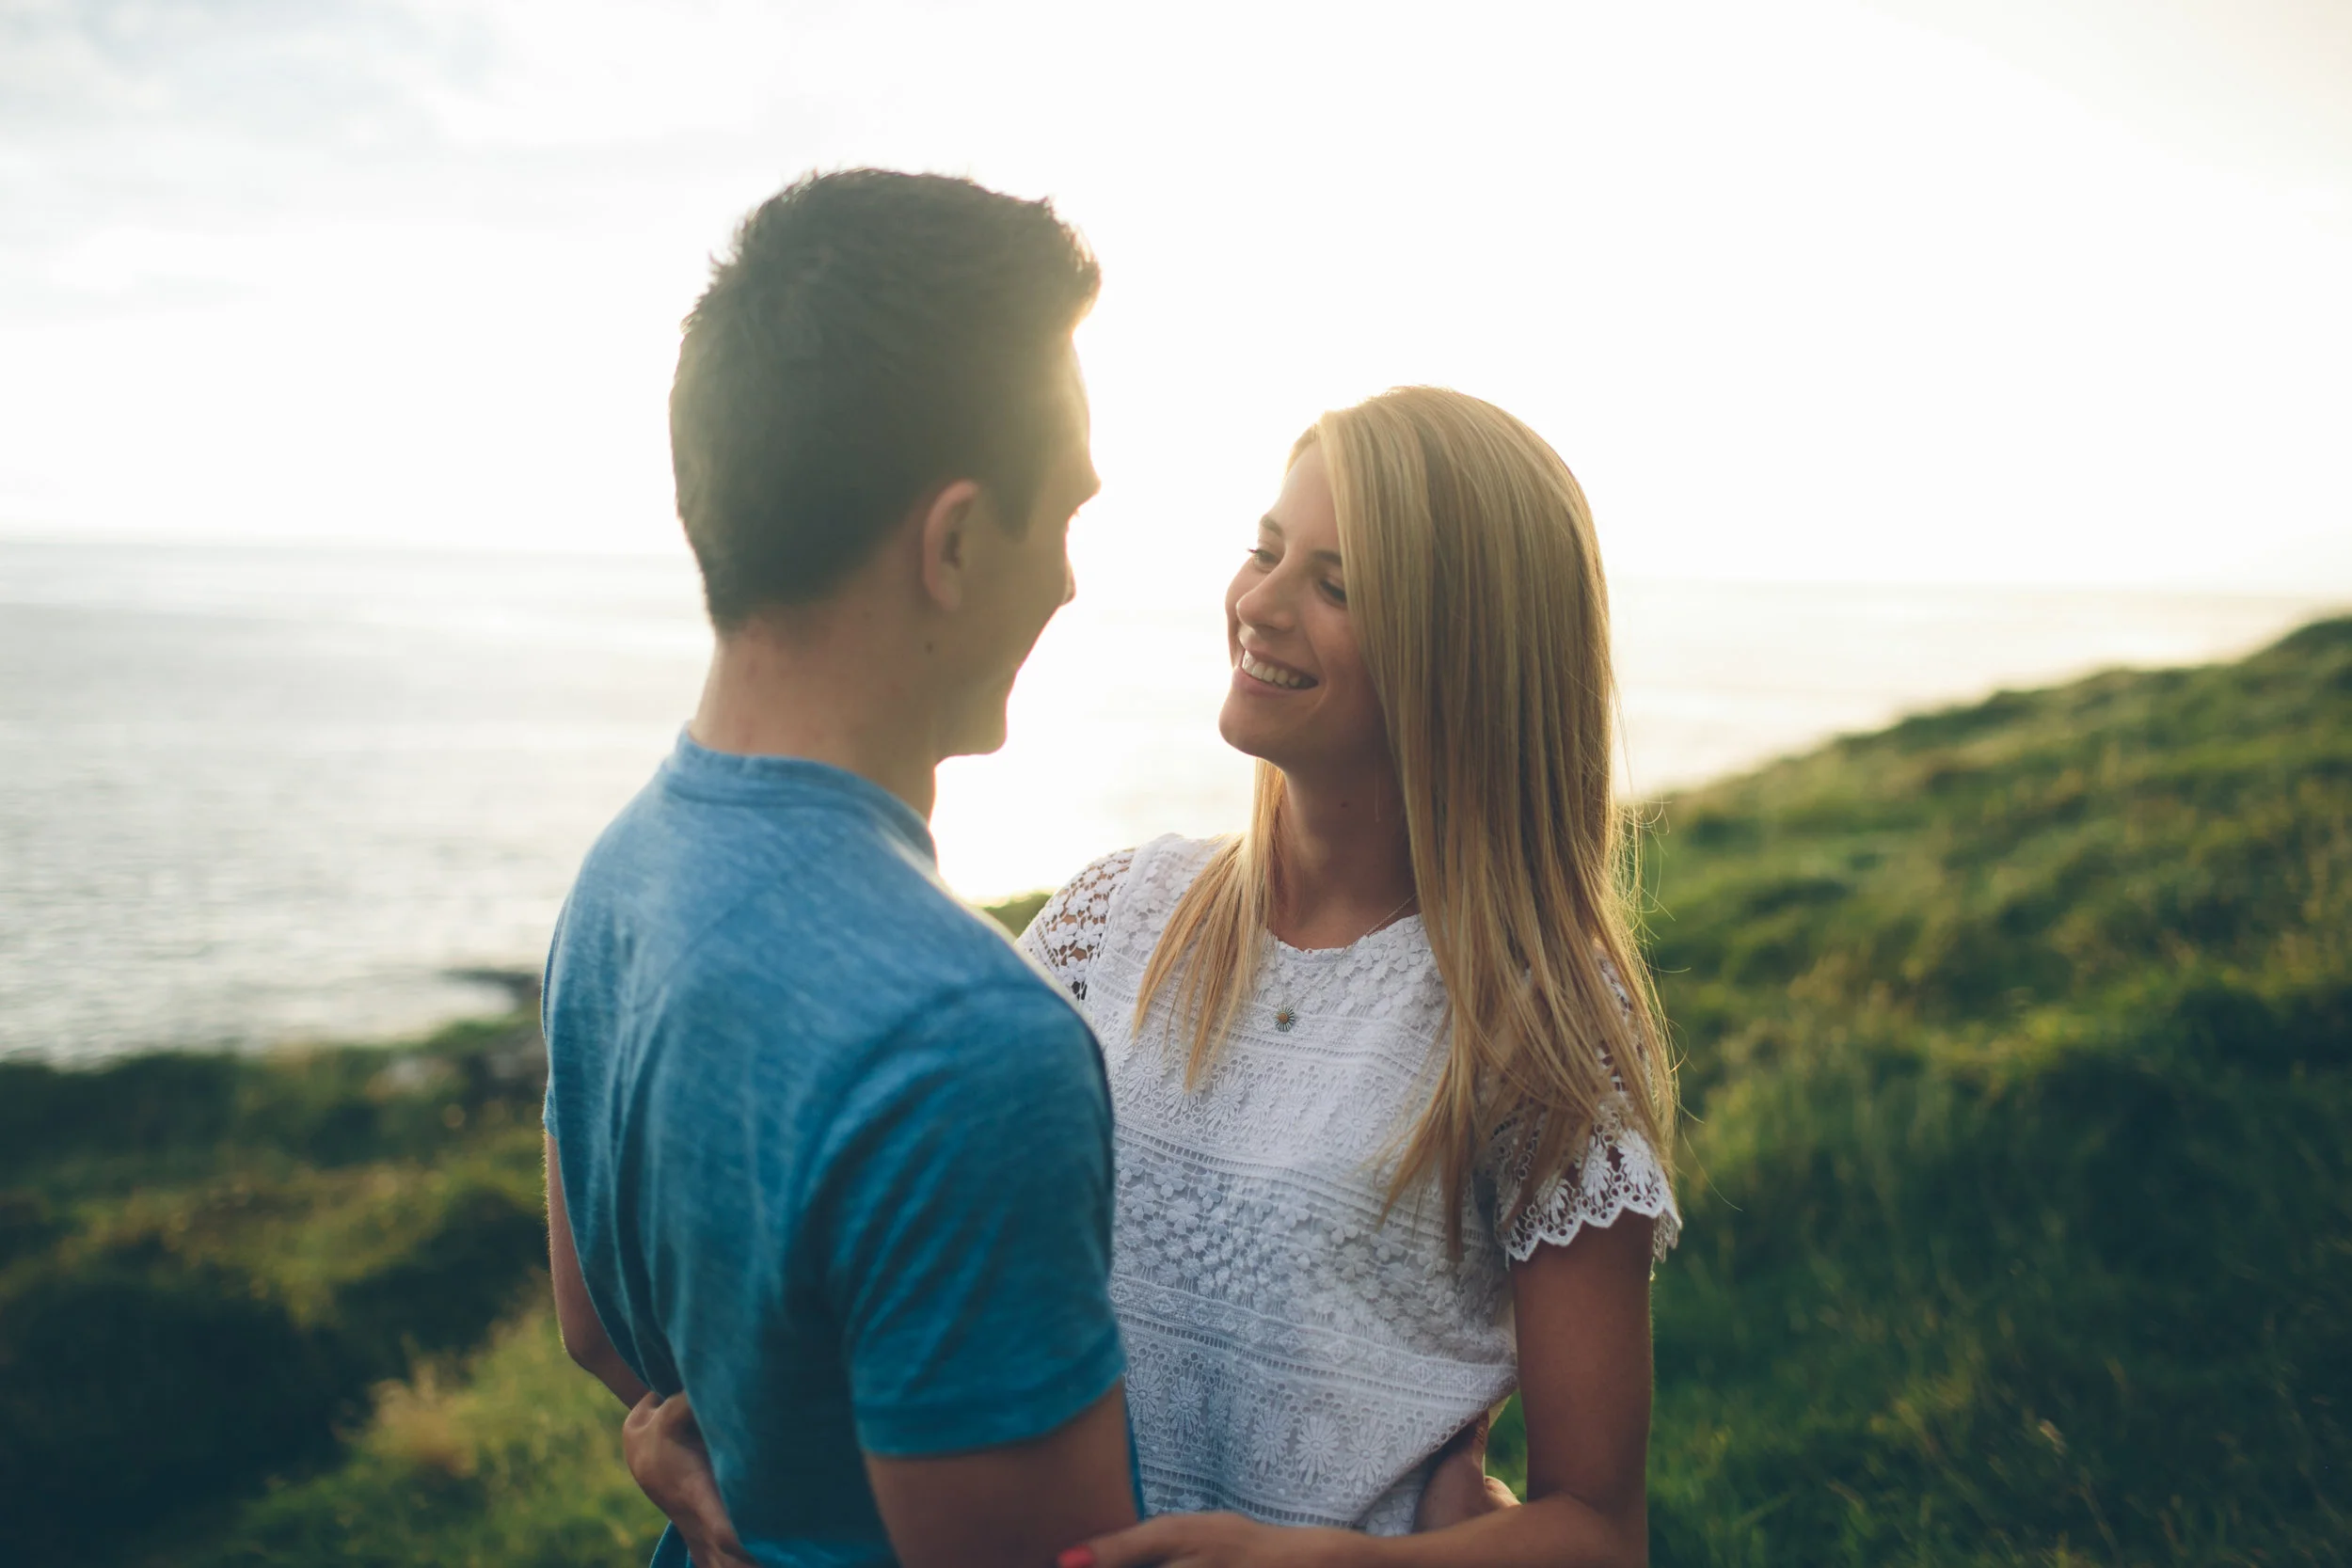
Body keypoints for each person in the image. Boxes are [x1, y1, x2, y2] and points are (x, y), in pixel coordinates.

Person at [634, 387, 1683, 1567]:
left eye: (1334, 585)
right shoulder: (1111, 918)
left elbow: (1600, 1529)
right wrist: (722, 1436)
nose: (1259, 604)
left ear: (1464, 651)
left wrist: (1327, 1563)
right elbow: (878, 1241)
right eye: (1265, 551)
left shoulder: (1535, 1019)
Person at [540, 167, 1140, 1568]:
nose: (1065, 577)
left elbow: (594, 1327)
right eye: (1061, 516)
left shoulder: (617, 874)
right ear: (950, 541)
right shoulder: (967, 1045)